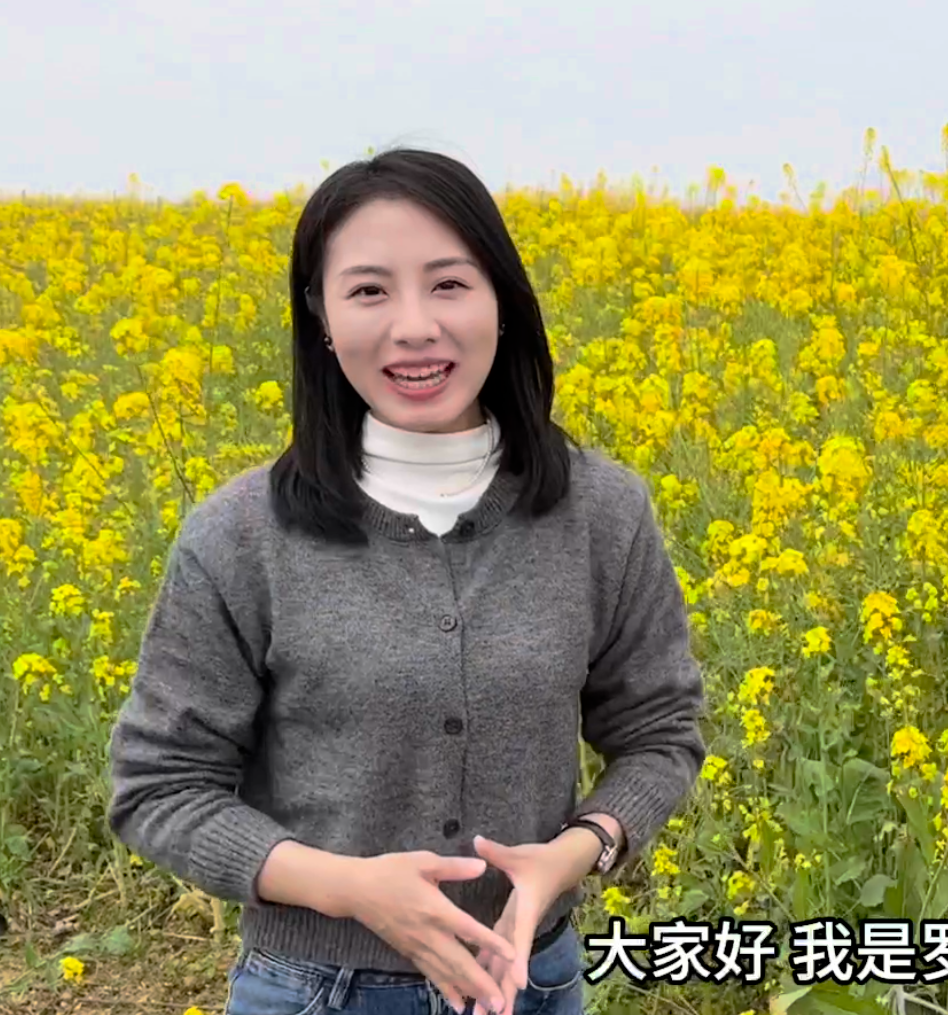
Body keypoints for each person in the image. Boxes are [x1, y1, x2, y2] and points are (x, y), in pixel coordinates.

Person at [106, 148, 708, 1015]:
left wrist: (579, 849)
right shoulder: (239, 535)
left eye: (449, 284)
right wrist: (348, 889)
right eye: (369, 290)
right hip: (314, 992)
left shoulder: (601, 512)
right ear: (320, 316)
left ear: (503, 301)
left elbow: (660, 732)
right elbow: (159, 787)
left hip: (532, 981)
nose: (415, 326)